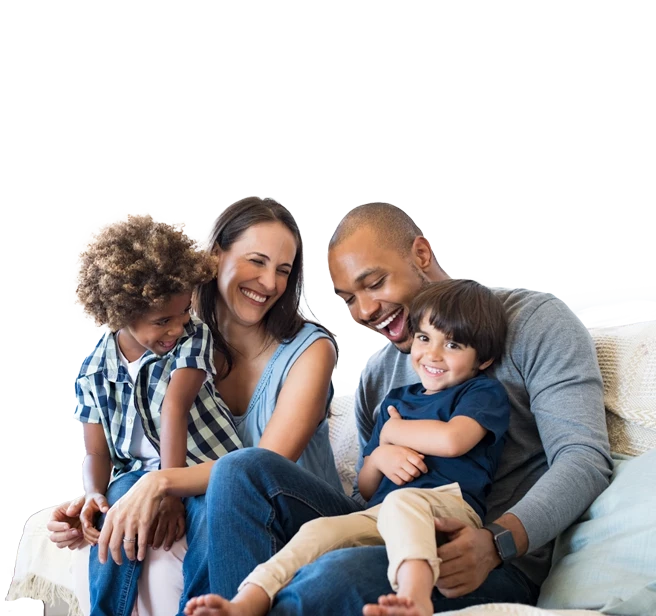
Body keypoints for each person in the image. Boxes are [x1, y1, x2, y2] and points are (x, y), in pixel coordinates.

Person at [185, 201, 613, 615]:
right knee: (238, 469)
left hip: (481, 555)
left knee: (332, 578)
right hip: (385, 525)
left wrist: (497, 541)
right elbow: (368, 496)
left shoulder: (533, 322)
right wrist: (378, 456)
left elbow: (583, 459)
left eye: (374, 284)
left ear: (421, 254)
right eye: (348, 298)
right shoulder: (379, 376)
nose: (365, 311)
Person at [47, 197, 342, 616]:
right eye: (256, 261)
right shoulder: (171, 335)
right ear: (215, 255)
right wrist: (94, 501)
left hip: (296, 511)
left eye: (283, 270)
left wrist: (162, 483)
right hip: (218, 498)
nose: (270, 283)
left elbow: (263, 466)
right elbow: (119, 441)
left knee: (227, 481)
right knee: (126, 498)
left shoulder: (309, 351)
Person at [183, 278, 511, 616]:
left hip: (448, 509)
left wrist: (394, 432)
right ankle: (247, 601)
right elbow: (367, 487)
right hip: (380, 513)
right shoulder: (396, 401)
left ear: (483, 360)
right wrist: (381, 453)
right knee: (318, 531)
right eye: (424, 338)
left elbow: (453, 440)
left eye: (453, 345)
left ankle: (415, 598)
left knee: (403, 501)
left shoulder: (480, 393)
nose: (433, 354)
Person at [72, 212, 243, 616]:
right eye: (162, 320)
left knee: (208, 520)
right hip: (136, 474)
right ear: (120, 313)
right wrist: (92, 495)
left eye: (183, 311)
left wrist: (168, 490)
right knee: (115, 511)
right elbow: (95, 453)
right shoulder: (93, 369)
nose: (177, 326)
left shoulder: (192, 336)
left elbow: (174, 408)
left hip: (205, 466)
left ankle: (200, 609)